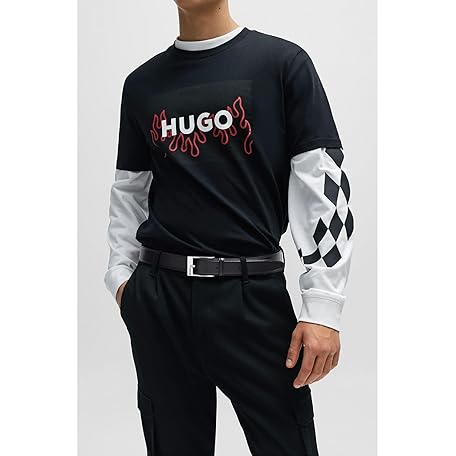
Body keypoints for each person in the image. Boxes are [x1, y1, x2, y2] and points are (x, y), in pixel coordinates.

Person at [104, 1, 354, 454]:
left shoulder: (282, 64)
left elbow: (322, 183)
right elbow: (130, 190)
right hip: (161, 300)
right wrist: (123, 282)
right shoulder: (141, 84)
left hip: (252, 298)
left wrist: (323, 306)